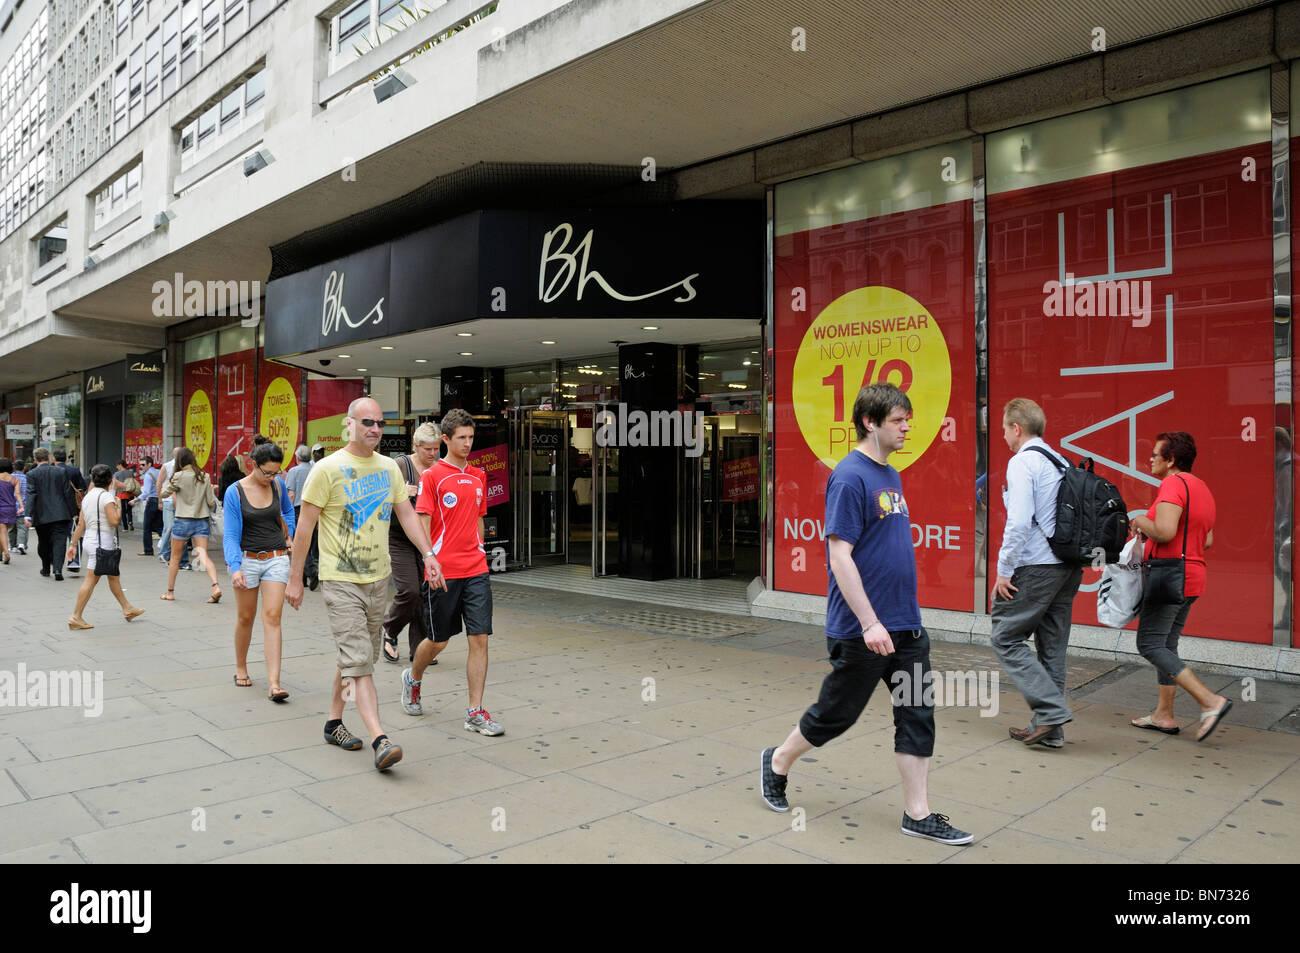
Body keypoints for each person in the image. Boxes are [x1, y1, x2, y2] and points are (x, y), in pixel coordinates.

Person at [758, 384, 971, 845]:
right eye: (898, 420)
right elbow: (840, 556)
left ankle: (918, 813)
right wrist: (870, 621)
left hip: (907, 627)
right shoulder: (850, 476)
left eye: (908, 419)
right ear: (870, 423)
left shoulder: (889, 474)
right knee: (837, 713)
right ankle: (778, 760)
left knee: (917, 713)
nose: (908, 427)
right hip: (863, 629)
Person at [286, 397, 447, 772]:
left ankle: (333, 722)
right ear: (349, 424)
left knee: (356, 657)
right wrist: (295, 579)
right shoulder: (327, 469)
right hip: (340, 579)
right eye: (367, 422)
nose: (375, 428)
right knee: (360, 661)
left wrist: (428, 554)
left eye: (379, 423)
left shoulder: (389, 467)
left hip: (378, 579)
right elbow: (305, 527)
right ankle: (380, 738)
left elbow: (406, 515)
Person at [403, 410, 502, 734]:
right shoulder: (432, 476)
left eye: (471, 437)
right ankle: (413, 677)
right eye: (462, 437)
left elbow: (478, 516)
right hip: (444, 571)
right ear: (446, 439)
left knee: (480, 638)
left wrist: (482, 552)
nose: (468, 443)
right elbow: (423, 522)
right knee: (438, 640)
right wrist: (430, 560)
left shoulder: (478, 475)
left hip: (476, 569)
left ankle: (475, 711)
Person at [1128, 432, 1231, 742]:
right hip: (1192, 577)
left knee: (1150, 644)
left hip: (1169, 577)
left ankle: (1209, 701)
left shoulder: (1172, 484)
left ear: (1170, 460)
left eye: (1155, 454)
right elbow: (1207, 539)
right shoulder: (1202, 488)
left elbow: (1164, 530)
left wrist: (1138, 520)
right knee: (1167, 645)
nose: (1150, 458)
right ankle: (1164, 714)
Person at [990, 398, 1081, 748]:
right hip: (1067, 567)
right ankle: (1051, 730)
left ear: (1016, 428)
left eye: (1003, 430)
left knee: (1005, 637)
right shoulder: (1061, 461)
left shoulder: (1023, 462)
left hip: (1037, 567)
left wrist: (1003, 570)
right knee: (1052, 649)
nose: (1004, 438)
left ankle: (1052, 711)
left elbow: (1018, 523)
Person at [224, 440, 296, 698]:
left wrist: (290, 535)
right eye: (267, 472)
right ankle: (241, 667)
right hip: (247, 560)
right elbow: (231, 535)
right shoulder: (235, 492)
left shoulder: (277, 485)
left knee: (273, 617)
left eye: (276, 472)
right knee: (246, 617)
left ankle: (274, 683)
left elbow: (288, 512)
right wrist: (234, 567)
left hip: (276, 558)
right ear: (253, 465)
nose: (271, 477)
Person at [383, 422, 442, 664]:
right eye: (428, 449)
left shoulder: (438, 469)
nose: (433, 454)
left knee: (425, 593)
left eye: (437, 448)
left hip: (427, 539)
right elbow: (379, 500)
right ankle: (390, 629)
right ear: (416, 446)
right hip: (399, 538)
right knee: (410, 590)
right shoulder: (400, 465)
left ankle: (419, 647)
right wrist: (398, 494)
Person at [65, 464, 146, 629]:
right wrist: (117, 505)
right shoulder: (106, 497)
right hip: (102, 542)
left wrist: (73, 544)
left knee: (113, 576)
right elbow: (115, 521)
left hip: (90, 540)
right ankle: (76, 616)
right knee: (91, 579)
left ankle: (127, 608)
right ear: (110, 480)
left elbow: (81, 524)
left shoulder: (88, 496)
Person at [159, 448, 221, 603]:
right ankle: (215, 586)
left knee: (174, 557)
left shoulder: (178, 476)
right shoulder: (204, 476)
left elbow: (163, 493)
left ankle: (170, 592)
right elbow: (211, 502)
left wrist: (170, 482)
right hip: (201, 521)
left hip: (182, 520)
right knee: (203, 556)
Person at [23, 448, 78, 580]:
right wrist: (73, 512)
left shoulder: (32, 474)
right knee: (60, 543)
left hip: (41, 515)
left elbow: (31, 494)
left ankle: (46, 568)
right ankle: (58, 570)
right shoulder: (61, 471)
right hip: (61, 513)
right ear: (49, 457)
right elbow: (67, 493)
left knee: (43, 542)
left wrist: (27, 514)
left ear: (35, 459)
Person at [54, 449, 87, 572]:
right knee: (75, 534)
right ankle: (74, 561)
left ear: (54, 459)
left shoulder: (52, 471)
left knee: (58, 537)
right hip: (73, 507)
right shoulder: (74, 470)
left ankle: (56, 563)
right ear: (65, 459)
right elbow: (82, 487)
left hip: (55, 509)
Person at [137, 456, 163, 556]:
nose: (141, 467)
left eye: (143, 465)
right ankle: (167, 544)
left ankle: (148, 550)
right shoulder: (159, 472)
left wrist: (136, 500)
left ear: (149, 464)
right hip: (160, 500)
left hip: (152, 500)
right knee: (159, 526)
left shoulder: (148, 475)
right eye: (140, 465)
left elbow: (146, 492)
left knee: (147, 527)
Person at [0, 458, 21, 564]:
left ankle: (6, 553)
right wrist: (21, 506)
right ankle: (1, 552)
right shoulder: (15, 479)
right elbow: (17, 494)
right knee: (4, 531)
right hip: (10, 508)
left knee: (2, 532)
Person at [8, 460, 30, 555]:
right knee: (22, 527)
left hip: (10, 506)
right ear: (24, 467)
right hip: (23, 506)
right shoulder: (27, 478)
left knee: (11, 528)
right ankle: (21, 544)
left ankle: (12, 546)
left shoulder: (9, 478)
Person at [113, 459, 137, 531]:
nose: (117, 467)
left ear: (120, 465)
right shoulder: (130, 473)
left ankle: (125, 528)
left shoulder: (116, 474)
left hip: (121, 494)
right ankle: (130, 521)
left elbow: (115, 485)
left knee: (122, 510)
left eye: (117, 465)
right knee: (129, 509)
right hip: (130, 493)